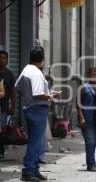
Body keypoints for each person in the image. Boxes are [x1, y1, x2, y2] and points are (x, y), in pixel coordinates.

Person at [15, 46, 60, 181]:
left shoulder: (26, 69)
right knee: (35, 143)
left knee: (37, 142)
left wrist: (28, 97)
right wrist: (50, 96)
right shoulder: (36, 73)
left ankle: (34, 170)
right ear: (42, 59)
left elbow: (17, 87)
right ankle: (28, 171)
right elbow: (37, 93)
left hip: (30, 108)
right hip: (37, 109)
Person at [0, 50, 16, 159]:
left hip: (3, 107)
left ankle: (1, 151)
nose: (2, 60)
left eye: (4, 58)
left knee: (2, 129)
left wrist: (13, 106)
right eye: (0, 57)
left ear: (7, 60)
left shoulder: (9, 74)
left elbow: (13, 91)